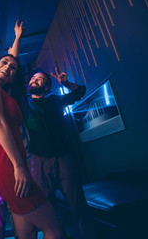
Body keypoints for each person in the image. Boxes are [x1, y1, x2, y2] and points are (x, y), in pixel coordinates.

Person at [0, 20, 66, 239]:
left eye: (13, 69)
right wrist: (19, 166)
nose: (8, 68)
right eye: (4, 63)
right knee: (55, 231)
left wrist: (17, 38)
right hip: (11, 166)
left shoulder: (4, 92)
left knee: (26, 233)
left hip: (11, 165)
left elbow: (11, 63)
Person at [25, 69, 95, 239]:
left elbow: (80, 92)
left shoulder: (55, 100)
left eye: (40, 79)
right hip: (39, 159)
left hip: (63, 157)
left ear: (47, 87)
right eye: (33, 78)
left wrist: (66, 83)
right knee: (47, 208)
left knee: (78, 206)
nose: (35, 80)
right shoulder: (24, 105)